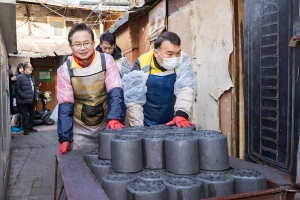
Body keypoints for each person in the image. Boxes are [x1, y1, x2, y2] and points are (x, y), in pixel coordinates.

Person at [57, 23, 126, 154]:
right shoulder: (64, 70)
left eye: (86, 43)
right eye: (77, 44)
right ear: (70, 46)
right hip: (80, 127)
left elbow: (115, 90)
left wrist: (115, 117)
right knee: (82, 164)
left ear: (94, 43)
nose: (82, 48)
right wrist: (65, 138)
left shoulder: (107, 61)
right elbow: (65, 105)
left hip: (107, 121)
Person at [123, 32, 195, 128]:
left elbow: (186, 88)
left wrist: (181, 114)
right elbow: (134, 99)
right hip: (146, 121)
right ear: (156, 53)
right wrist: (138, 128)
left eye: (177, 53)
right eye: (169, 54)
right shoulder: (142, 62)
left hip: (174, 120)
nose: (175, 58)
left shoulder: (183, 60)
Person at [14, 62, 38, 135]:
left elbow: (34, 87)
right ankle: (25, 129)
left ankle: (30, 127)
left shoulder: (32, 77)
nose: (31, 69)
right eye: (29, 67)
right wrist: (23, 95)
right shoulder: (20, 77)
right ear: (25, 69)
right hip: (23, 100)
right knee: (25, 115)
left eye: (31, 67)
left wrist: (36, 96)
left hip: (32, 99)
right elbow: (17, 89)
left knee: (32, 114)